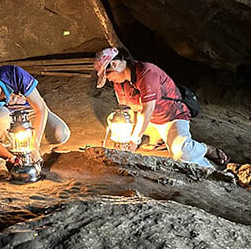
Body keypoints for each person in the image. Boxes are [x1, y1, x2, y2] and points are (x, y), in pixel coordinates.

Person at [94, 46, 228, 169]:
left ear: (114, 64)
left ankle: (205, 150)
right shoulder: (120, 84)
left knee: (181, 152)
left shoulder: (147, 73)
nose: (108, 79)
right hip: (151, 121)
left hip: (171, 117)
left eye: (107, 75)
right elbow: (126, 111)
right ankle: (157, 139)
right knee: (124, 134)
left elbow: (147, 110)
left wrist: (135, 138)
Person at [0, 65, 71, 164]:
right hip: (5, 120)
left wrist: (35, 146)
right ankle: (7, 149)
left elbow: (40, 108)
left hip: (30, 111)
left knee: (61, 134)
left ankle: (31, 149)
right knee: (0, 115)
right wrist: (10, 157)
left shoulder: (13, 75)